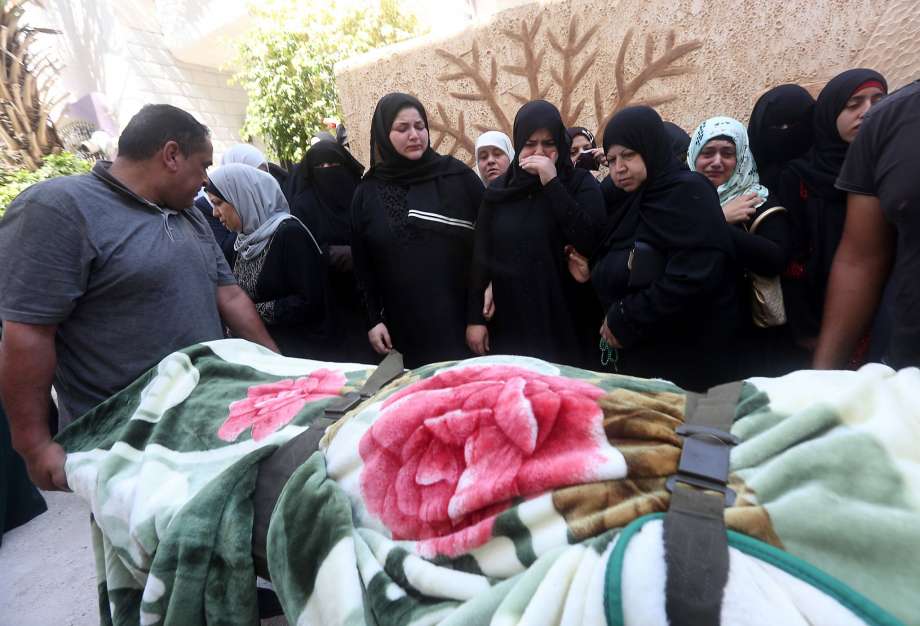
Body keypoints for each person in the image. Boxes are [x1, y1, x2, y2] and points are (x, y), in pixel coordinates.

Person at [0, 104, 278, 490]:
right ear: (171, 155)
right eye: (203, 165)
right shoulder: (58, 209)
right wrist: (33, 445)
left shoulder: (188, 214)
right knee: (145, 546)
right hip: (126, 444)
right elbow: (28, 333)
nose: (205, 179)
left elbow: (229, 295)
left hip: (211, 415)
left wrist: (280, 369)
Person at [591, 106, 740, 391]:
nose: (619, 168)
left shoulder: (687, 191)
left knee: (706, 434)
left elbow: (694, 275)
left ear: (651, 148)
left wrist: (627, 315)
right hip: (656, 359)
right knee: (653, 432)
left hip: (706, 359)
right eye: (611, 160)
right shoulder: (635, 200)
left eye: (629, 155)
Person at [467, 101, 605, 367]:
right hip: (513, 320)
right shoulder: (499, 193)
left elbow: (591, 239)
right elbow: (481, 257)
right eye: (531, 144)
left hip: (568, 319)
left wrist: (552, 183)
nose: (539, 152)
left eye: (548, 144)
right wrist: (474, 318)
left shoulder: (579, 184)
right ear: (519, 144)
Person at [351, 93, 484, 368]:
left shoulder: (457, 177)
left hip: (463, 324)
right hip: (404, 333)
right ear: (384, 133)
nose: (414, 135)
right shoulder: (367, 193)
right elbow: (364, 267)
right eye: (402, 128)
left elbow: (486, 246)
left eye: (420, 126)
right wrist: (373, 319)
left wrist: (478, 317)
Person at [778, 69, 887, 352]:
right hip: (820, 313)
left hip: (890, 310)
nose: (868, 112)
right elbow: (793, 259)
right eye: (854, 105)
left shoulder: (893, 168)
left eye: (879, 101)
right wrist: (807, 328)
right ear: (829, 113)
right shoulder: (801, 176)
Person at [814, 80, 920, 369]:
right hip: (907, 373)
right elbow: (860, 259)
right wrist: (824, 378)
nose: (863, 112)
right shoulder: (891, 119)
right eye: (852, 104)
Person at [687, 116, 798, 375]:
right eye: (707, 153)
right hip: (697, 334)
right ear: (694, 156)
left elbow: (775, 259)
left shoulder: (756, 201)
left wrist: (715, 226)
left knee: (739, 410)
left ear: (741, 158)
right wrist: (719, 218)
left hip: (749, 336)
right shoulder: (684, 201)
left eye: (727, 153)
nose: (716, 162)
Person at [207, 163, 329, 359]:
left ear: (243, 197)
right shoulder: (236, 244)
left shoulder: (289, 234)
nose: (215, 213)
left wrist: (248, 314)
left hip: (298, 353)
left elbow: (309, 301)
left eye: (219, 203)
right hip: (255, 354)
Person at [194, 143, 271, 265]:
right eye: (253, 175)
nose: (259, 183)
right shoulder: (204, 207)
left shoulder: (274, 212)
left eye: (263, 176)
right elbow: (223, 253)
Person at [747, 84, 815, 191]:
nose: (788, 132)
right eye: (778, 126)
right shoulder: (742, 184)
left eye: (795, 124)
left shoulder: (834, 170)